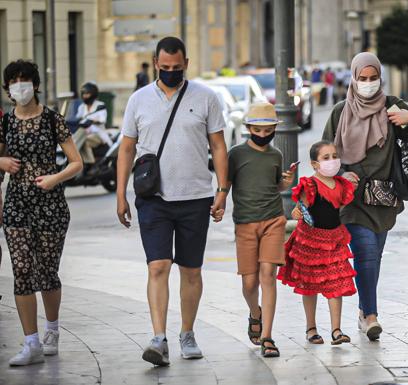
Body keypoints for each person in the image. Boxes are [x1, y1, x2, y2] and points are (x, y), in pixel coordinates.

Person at [116, 37, 228, 366]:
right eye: (164, 68)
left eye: (176, 68)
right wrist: (121, 193)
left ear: (186, 64)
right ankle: (158, 337)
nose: (170, 73)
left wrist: (223, 190)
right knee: (158, 266)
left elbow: (219, 146)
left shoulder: (206, 97)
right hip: (154, 199)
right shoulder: (138, 100)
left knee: (191, 271)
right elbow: (126, 149)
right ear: (155, 63)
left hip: (196, 197)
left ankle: (187, 333)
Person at [322, 52, 408, 341]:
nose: (368, 83)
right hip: (351, 200)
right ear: (353, 79)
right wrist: (339, 172)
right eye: (362, 79)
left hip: (383, 199)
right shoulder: (340, 112)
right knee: (366, 253)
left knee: (374, 257)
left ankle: (362, 311)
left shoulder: (391, 106)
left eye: (373, 79)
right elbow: (324, 155)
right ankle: (370, 315)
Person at [0, 60, 83, 366]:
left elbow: (76, 162)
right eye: (13, 81)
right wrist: (2, 162)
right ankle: (30, 343)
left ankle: (51, 330)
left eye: (24, 80)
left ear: (35, 85)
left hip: (50, 206)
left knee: (46, 273)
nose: (19, 86)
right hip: (16, 205)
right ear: (7, 87)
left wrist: (54, 178)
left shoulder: (51, 120)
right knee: (21, 270)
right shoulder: (5, 123)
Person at [226, 102, 295, 358]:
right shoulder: (236, 154)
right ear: (248, 129)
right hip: (245, 222)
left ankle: (267, 336)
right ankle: (255, 313)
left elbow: (274, 186)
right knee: (249, 282)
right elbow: (227, 183)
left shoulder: (276, 155)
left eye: (268, 131)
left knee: (268, 274)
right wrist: (219, 202)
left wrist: (284, 183)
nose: (263, 135)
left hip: (273, 220)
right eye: (258, 130)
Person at [278, 140, 356, 346]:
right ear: (314, 164)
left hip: (335, 239)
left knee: (336, 283)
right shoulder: (310, 184)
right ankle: (311, 328)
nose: (332, 161)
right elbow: (301, 208)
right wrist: (296, 211)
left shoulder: (340, 185)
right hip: (311, 241)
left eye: (334, 156)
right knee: (309, 285)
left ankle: (336, 330)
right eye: (326, 158)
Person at [73, 82, 111, 169]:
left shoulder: (100, 105)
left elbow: (102, 119)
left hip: (98, 134)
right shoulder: (82, 107)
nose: (85, 96)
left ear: (93, 94)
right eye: (84, 94)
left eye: (87, 94)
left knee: (84, 142)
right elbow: (76, 118)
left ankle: (90, 164)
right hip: (83, 132)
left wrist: (93, 120)